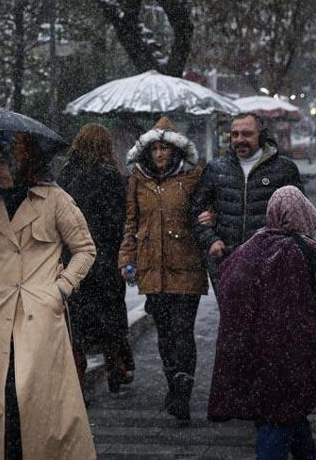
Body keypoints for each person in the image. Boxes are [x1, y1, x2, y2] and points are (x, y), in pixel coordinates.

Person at [0, 132, 97, 460]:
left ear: (25, 161)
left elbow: (85, 250)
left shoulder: (55, 199)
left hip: (39, 315)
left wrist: (61, 289)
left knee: (36, 398)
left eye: (6, 161)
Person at [208, 186, 316, 460]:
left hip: (253, 355)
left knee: (286, 415)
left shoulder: (249, 248)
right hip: (293, 356)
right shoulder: (307, 251)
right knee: (280, 419)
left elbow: (228, 286)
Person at [117, 116, 207, 422]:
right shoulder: (138, 179)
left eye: (164, 148)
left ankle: (183, 391)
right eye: (154, 148)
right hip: (151, 267)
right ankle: (174, 381)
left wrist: (210, 217)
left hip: (186, 265)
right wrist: (126, 259)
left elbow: (207, 210)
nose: (159, 154)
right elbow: (131, 222)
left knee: (182, 330)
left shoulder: (193, 177)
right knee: (165, 333)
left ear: (175, 150)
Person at [190, 112, 303, 301]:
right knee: (233, 317)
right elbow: (195, 211)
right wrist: (211, 240)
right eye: (235, 134)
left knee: (267, 317)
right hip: (227, 263)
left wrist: (282, 249)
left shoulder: (284, 169)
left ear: (262, 135)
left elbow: (298, 217)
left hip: (269, 264)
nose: (239, 139)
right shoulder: (216, 169)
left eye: (247, 134)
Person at [57, 123, 134, 394]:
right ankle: (117, 370)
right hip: (105, 259)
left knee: (76, 326)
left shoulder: (66, 175)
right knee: (111, 319)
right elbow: (119, 219)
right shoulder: (111, 176)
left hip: (73, 259)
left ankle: (77, 384)